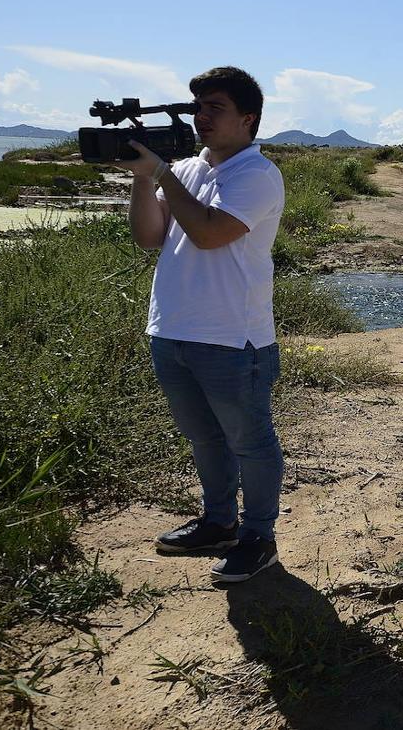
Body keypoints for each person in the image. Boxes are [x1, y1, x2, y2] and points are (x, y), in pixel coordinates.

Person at [118, 66, 286, 583]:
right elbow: (150, 236)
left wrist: (163, 173)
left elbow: (212, 234)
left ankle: (259, 536)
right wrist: (145, 178)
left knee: (248, 441)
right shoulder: (188, 170)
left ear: (247, 119)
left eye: (215, 108)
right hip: (172, 329)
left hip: (233, 338)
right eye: (197, 107)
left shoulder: (257, 176)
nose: (201, 117)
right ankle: (218, 522)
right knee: (204, 438)